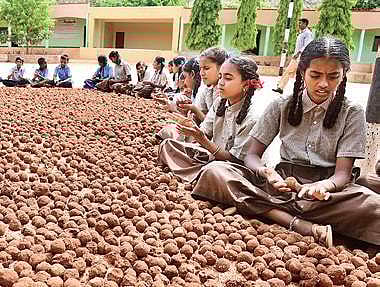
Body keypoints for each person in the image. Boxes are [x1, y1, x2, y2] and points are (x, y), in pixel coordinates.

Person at [193, 37, 380, 247]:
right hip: (280, 186)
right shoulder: (281, 105)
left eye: (333, 76)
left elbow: (343, 174)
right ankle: (296, 223)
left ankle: (266, 209)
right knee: (215, 171)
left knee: (373, 206)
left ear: (343, 74)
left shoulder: (352, 112)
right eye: (315, 75)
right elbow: (252, 156)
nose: (323, 84)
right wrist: (267, 173)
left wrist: (322, 186)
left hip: (328, 196)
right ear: (302, 72)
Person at [158, 56, 263, 188]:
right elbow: (204, 132)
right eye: (221, 77)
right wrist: (191, 127)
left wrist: (202, 139)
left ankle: (200, 177)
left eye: (228, 78)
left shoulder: (253, 115)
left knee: (213, 171)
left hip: (233, 169)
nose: (221, 83)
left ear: (246, 84)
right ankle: (199, 178)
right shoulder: (220, 101)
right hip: (212, 159)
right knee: (167, 145)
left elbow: (236, 160)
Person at [178, 47, 230, 125]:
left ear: (221, 67)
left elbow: (213, 126)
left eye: (206, 68)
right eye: (200, 69)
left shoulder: (225, 92)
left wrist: (194, 109)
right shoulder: (207, 88)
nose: (201, 73)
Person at [272, 18, 313, 94]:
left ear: (305, 24)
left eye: (300, 23)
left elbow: (307, 45)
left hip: (301, 57)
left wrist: (298, 53)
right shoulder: (301, 33)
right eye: (299, 23)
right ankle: (280, 87)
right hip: (297, 57)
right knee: (290, 71)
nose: (299, 25)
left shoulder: (308, 33)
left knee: (299, 73)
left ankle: (281, 87)